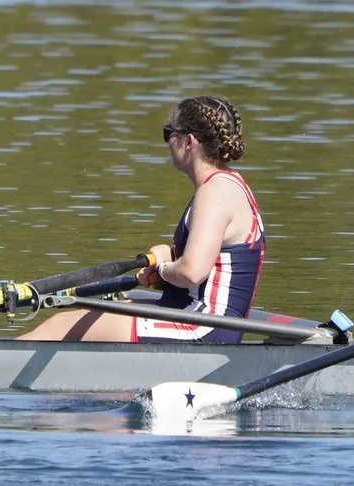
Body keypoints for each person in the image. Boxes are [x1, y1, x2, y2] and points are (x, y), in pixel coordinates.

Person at [24, 96, 264, 343]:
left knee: (60, 327)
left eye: (168, 132)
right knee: (101, 311)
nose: (167, 141)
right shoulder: (229, 183)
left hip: (203, 328)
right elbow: (211, 263)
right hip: (196, 314)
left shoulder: (214, 193)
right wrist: (170, 260)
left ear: (189, 142)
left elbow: (192, 273)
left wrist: (162, 268)